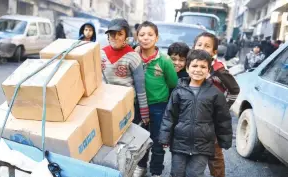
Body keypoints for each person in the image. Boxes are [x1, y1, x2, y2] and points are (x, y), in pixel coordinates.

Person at [159, 49, 233, 177]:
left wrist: (225, 139)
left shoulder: (215, 93)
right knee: (177, 173)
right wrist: (164, 137)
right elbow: (169, 115)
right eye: (194, 65)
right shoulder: (178, 91)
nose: (198, 69)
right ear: (187, 69)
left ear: (208, 71)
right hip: (180, 143)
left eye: (203, 66)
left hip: (203, 145)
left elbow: (223, 119)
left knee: (194, 174)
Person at [133, 21, 178, 177]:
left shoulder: (164, 60)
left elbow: (173, 83)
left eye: (150, 35)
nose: (146, 38)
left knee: (158, 140)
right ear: (137, 37)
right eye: (142, 34)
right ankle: (141, 166)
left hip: (159, 106)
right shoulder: (133, 58)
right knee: (140, 139)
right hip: (137, 105)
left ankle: (156, 170)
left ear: (157, 38)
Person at [193, 32, 239, 177]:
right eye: (199, 45)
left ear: (214, 52)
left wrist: (223, 108)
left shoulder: (219, 70)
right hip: (194, 117)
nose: (202, 48)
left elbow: (234, 90)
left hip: (213, 120)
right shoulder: (192, 65)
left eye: (207, 46)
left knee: (214, 154)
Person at [100, 18, 149, 125]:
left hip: (126, 104)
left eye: (120, 34)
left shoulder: (133, 57)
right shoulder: (100, 53)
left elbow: (140, 87)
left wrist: (144, 112)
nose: (115, 37)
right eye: (112, 34)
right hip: (105, 102)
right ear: (108, 36)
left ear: (126, 37)